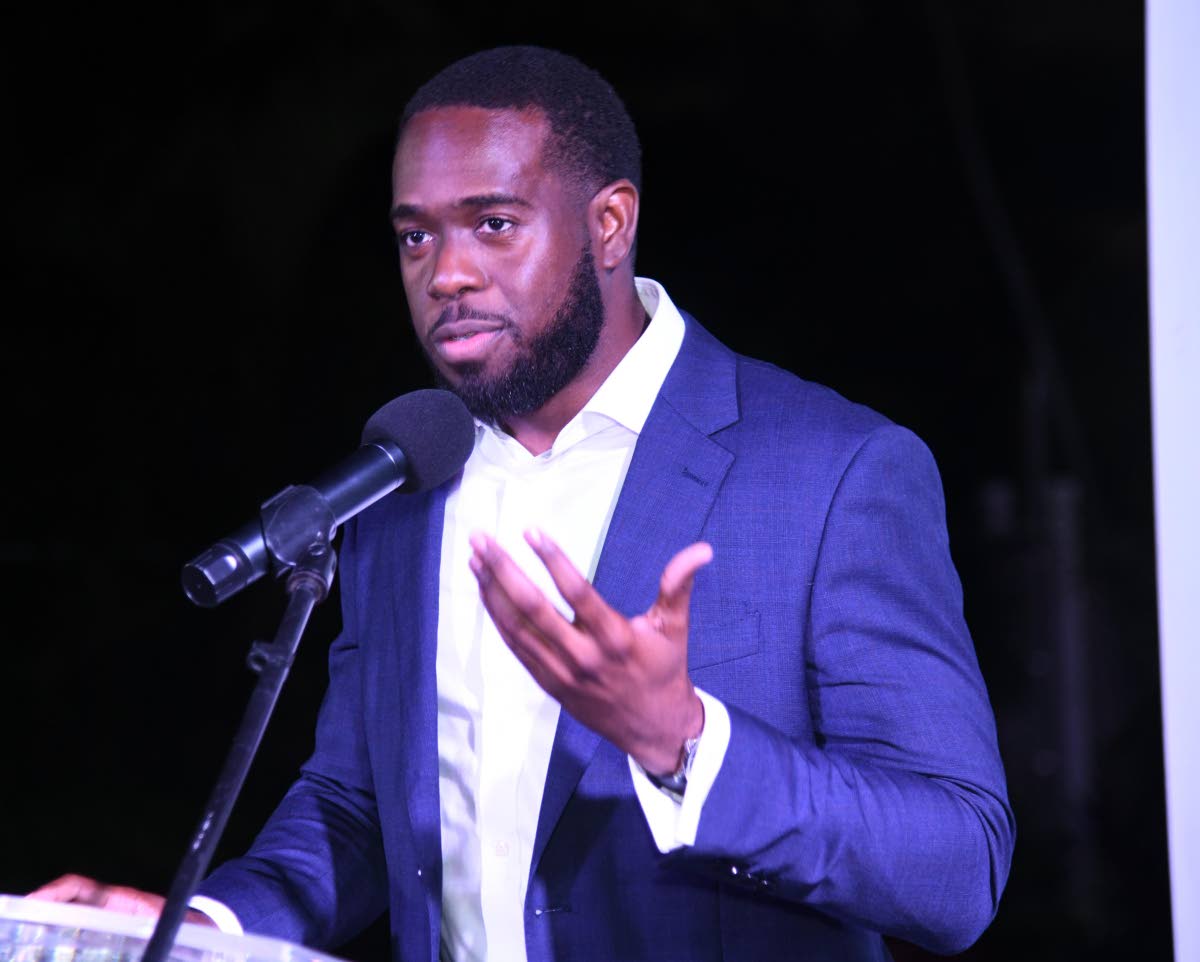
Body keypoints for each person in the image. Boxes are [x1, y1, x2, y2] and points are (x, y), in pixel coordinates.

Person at [32, 45, 1014, 961]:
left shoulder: (833, 470)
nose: (445, 273)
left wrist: (686, 742)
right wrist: (203, 924)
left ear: (609, 224)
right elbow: (359, 805)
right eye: (416, 235)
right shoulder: (403, 478)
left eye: (492, 223)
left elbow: (958, 864)